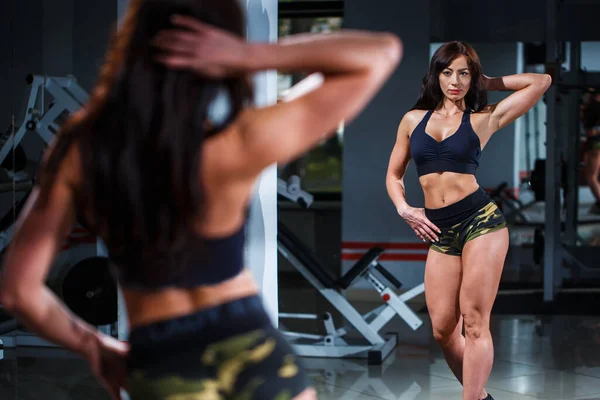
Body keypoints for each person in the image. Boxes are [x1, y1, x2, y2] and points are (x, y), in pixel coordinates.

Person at [0, 1, 402, 399]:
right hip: (251, 345)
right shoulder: (237, 141)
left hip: (164, 356)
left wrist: (92, 345)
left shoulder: (82, 146)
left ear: (133, 44)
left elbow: (17, 290)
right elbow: (382, 52)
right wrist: (249, 55)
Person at [386, 41, 550, 400]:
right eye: (447, 72)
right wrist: (405, 208)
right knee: (444, 330)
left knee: (474, 322)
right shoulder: (413, 120)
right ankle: (481, 396)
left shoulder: (483, 118)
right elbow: (394, 175)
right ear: (436, 75)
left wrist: (487, 81)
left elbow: (541, 81)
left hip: (482, 223)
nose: (455, 81)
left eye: (463, 72)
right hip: (440, 230)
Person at [580, 90, 600, 214]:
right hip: (593, 143)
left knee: (591, 177)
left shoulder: (594, 106)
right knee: (591, 176)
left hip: (595, 143)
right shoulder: (591, 106)